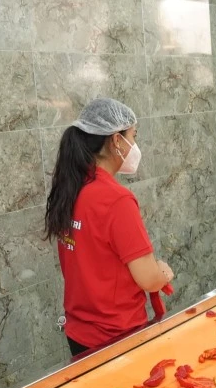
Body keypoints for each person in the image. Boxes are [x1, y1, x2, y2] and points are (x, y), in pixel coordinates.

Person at [43, 98, 174, 357]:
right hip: (117, 337)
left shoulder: (71, 188)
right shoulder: (116, 200)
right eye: (133, 136)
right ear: (116, 141)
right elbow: (149, 279)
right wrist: (163, 272)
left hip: (79, 335)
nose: (135, 145)